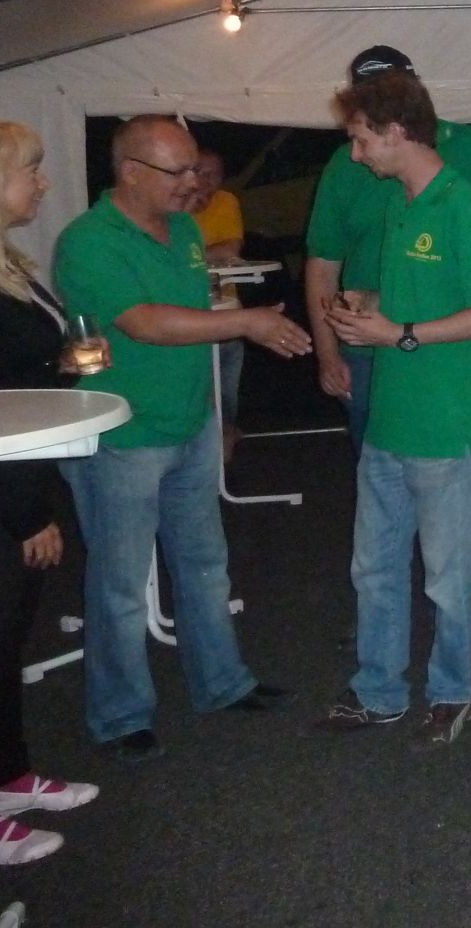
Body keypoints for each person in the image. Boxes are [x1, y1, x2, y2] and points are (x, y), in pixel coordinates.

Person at [52, 115, 309, 761]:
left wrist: (233, 347)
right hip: (124, 435)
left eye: (195, 166)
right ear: (130, 172)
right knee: (119, 585)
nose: (193, 181)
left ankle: (222, 683)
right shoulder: (88, 241)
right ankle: (120, 716)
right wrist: (245, 322)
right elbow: (144, 323)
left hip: (190, 425)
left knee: (204, 564)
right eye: (178, 170)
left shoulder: (188, 229)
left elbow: (191, 313)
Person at [314, 69, 471, 749]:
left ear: (396, 132)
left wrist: (398, 333)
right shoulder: (401, 204)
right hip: (389, 421)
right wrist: (368, 305)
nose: (354, 154)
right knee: (373, 568)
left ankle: (453, 691)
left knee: (447, 579)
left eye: (361, 139)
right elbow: (415, 297)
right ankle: (379, 692)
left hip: (447, 425)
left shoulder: (463, 206)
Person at [0, 117, 100, 868]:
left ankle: (5, 777)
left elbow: (14, 377)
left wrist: (64, 367)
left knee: (5, 644)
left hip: (14, 482)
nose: (43, 183)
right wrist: (24, 515)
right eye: (31, 170)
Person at [304, 46, 471, 447]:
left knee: (440, 453)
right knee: (383, 456)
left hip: (447, 347)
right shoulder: (358, 171)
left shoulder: (463, 159)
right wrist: (328, 353)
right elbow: (323, 263)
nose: (358, 153)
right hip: (367, 349)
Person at [189, 148, 246, 460]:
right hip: (186, 316)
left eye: (213, 175)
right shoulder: (173, 207)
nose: (205, 181)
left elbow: (230, 249)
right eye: (199, 172)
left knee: (227, 393)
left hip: (225, 310)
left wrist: (193, 257)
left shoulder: (226, 202)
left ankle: (225, 449)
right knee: (200, 393)